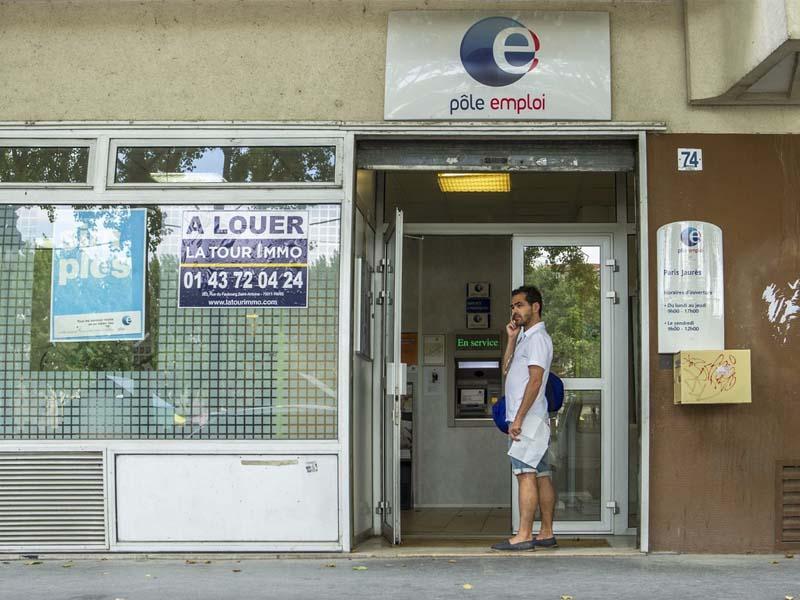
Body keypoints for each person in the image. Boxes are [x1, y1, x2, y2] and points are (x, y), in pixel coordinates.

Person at [491, 285, 557, 551]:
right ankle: (546, 532)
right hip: (532, 418)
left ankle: (524, 534)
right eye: (512, 306)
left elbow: (535, 381)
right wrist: (511, 339)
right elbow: (507, 371)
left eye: (519, 305)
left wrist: (518, 419)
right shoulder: (525, 338)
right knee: (541, 474)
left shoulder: (538, 339)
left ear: (535, 307)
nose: (514, 311)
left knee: (525, 474)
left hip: (528, 420)